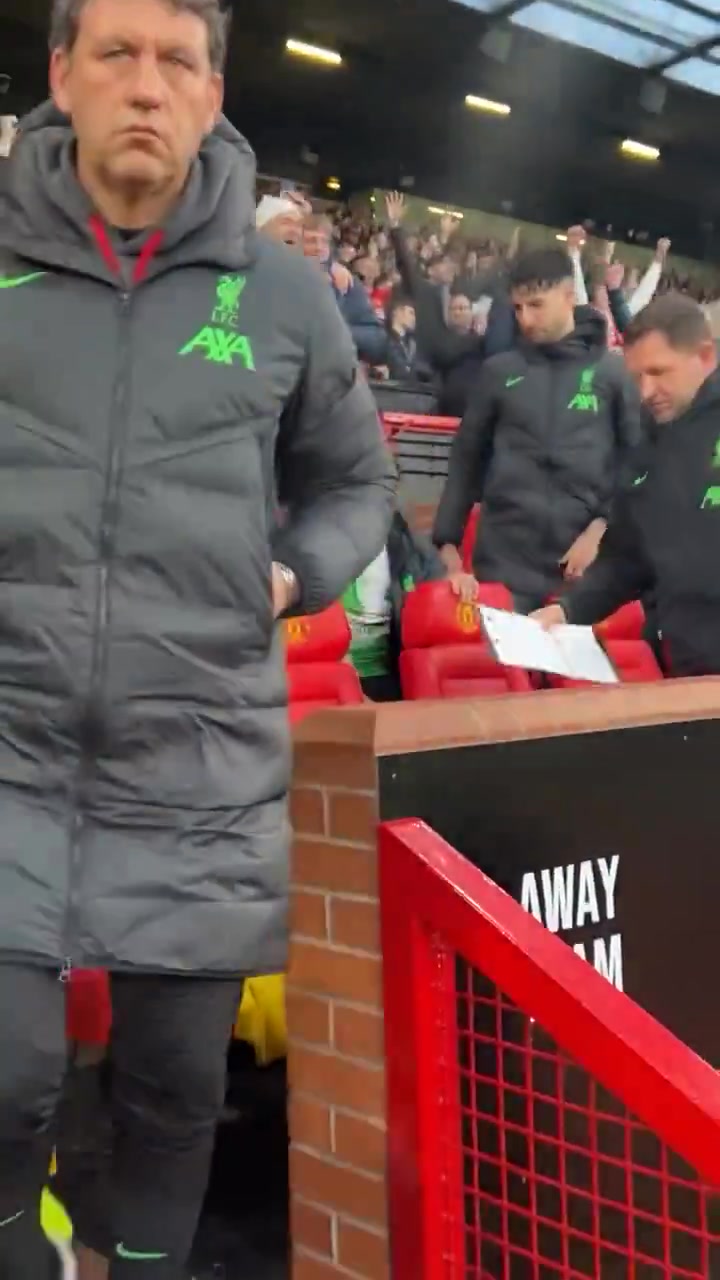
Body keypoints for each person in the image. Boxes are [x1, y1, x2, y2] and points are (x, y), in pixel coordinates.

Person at [0, 2, 395, 1279]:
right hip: (10, 740)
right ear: (62, 75)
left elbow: (357, 482)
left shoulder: (281, 295)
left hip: (200, 753)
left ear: (214, 93)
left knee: (175, 1088)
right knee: (7, 1076)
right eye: (115, 53)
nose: (146, 86)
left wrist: (292, 574)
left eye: (176, 60)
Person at [432, 247, 643, 613]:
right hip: (503, 567)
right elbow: (466, 460)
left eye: (536, 305)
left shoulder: (612, 374)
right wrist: (447, 546)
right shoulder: (498, 372)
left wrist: (601, 530)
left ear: (569, 296)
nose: (525, 319)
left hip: (582, 574)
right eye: (517, 308)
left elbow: (636, 463)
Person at [534, 295, 720, 677]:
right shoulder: (646, 442)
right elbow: (626, 557)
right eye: (637, 377)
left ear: (705, 357)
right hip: (688, 669)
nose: (646, 391)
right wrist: (566, 610)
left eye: (659, 372)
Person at [342, 510, 478, 702]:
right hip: (337, 678)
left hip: (392, 674)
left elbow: (434, 582)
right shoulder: (313, 546)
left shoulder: (407, 544)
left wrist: (453, 584)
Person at [302, 213, 387, 365]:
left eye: (324, 242)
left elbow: (377, 339)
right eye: (311, 241)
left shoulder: (347, 284)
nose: (319, 248)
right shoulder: (283, 280)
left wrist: (337, 332)